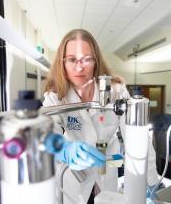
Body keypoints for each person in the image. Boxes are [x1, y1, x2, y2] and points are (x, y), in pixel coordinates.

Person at [42, 29, 159, 203]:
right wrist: (63, 150)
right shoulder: (56, 97)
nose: (79, 67)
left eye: (86, 59)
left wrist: (151, 182)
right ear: (63, 62)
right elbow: (46, 134)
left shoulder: (116, 92)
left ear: (96, 61)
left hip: (106, 174)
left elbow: (138, 138)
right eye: (72, 59)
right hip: (73, 178)